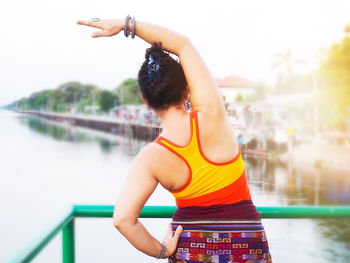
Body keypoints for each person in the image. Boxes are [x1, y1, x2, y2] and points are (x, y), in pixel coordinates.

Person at [77, 16, 272, 263]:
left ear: (145, 100)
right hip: (246, 245)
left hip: (191, 248)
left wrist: (162, 250)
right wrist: (127, 25)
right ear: (187, 89)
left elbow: (123, 220)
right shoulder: (213, 115)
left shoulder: (151, 157)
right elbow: (183, 45)